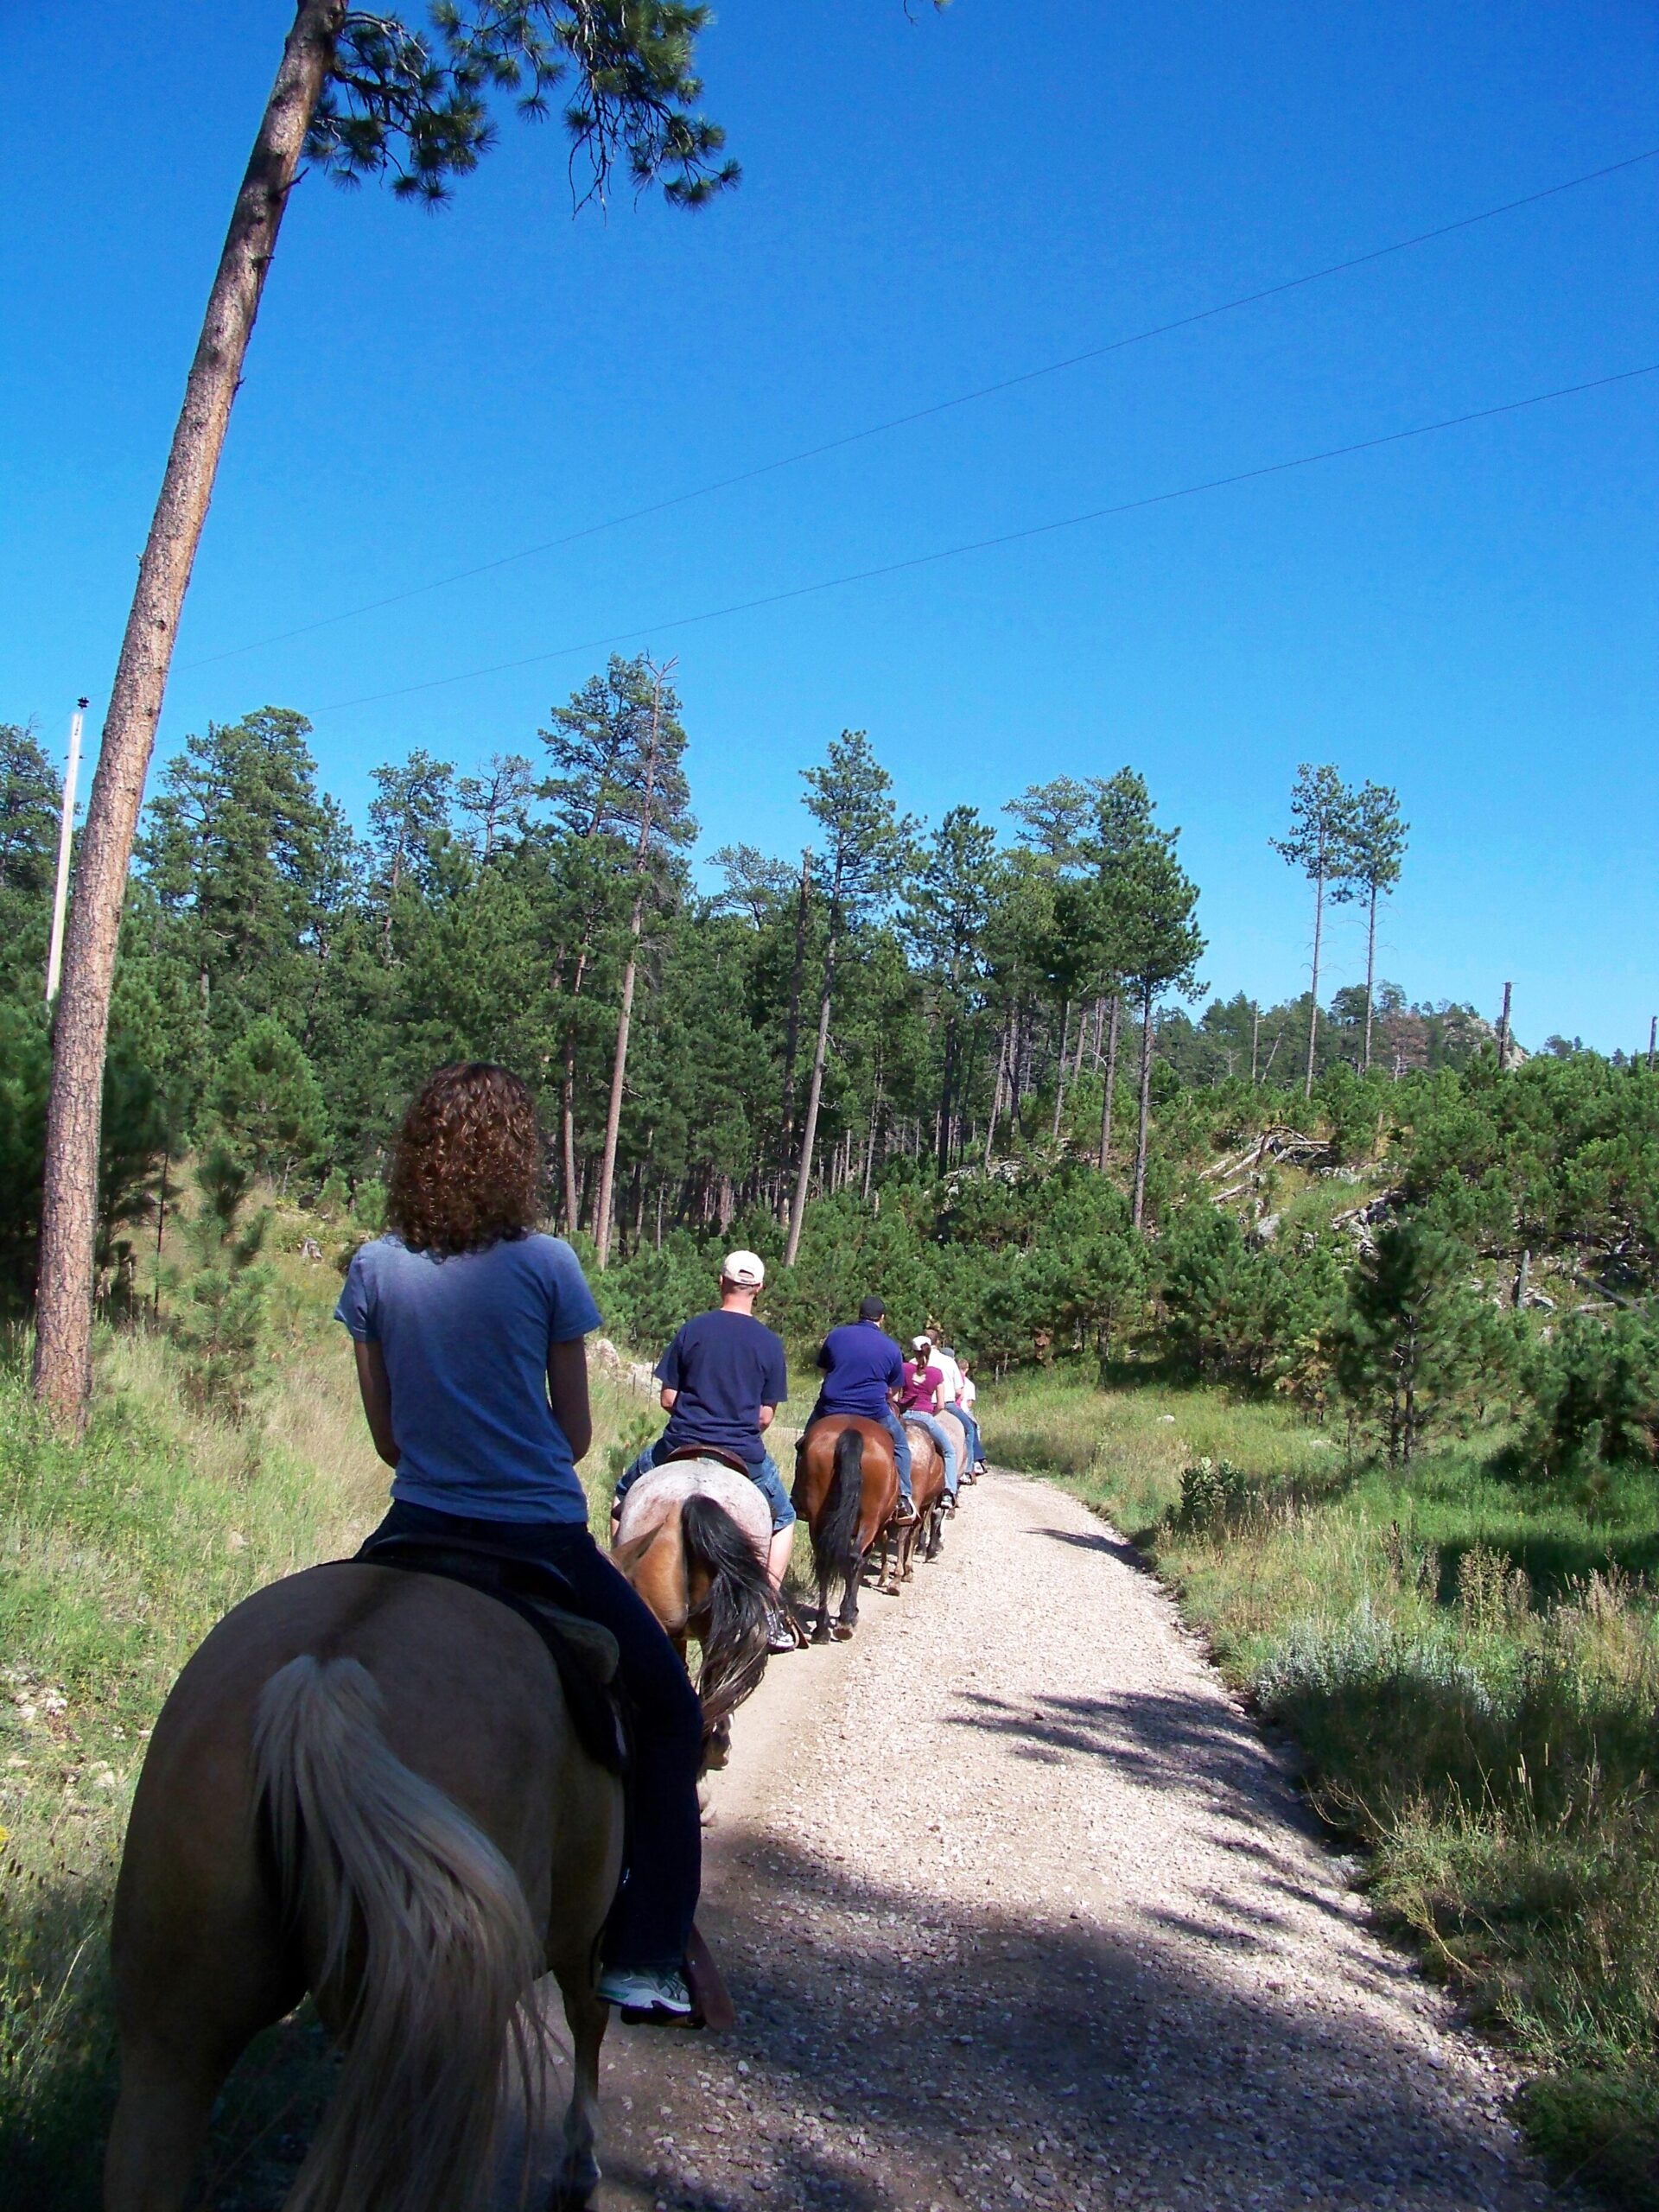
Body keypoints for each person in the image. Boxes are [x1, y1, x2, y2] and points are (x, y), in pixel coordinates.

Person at [335, 1060, 702, 2024]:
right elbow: (575, 1435)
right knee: (670, 1719)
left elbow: (387, 1441)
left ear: (416, 1154)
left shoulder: (372, 1269)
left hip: (414, 1527)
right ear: (517, 1159)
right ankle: (647, 1953)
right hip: (537, 1536)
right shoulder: (548, 1266)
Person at [612, 1251, 797, 1650]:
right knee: (784, 1517)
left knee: (625, 1495)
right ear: (759, 1289)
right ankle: (767, 1606)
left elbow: (667, 1397)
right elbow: (765, 1416)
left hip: (680, 1442)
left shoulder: (693, 1329)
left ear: (721, 1281)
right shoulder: (768, 1343)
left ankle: (619, 1592)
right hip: (742, 1452)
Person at [805, 1295, 916, 1522]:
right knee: (902, 1445)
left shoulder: (836, 1336)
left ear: (859, 1314)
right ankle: (903, 1497)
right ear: (882, 1318)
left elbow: (824, 1371)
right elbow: (894, 1390)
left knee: (805, 1442)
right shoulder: (891, 1347)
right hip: (873, 1410)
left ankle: (800, 1493)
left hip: (831, 1406)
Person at [899, 1335, 961, 1504]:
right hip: (925, 1417)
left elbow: (896, 1394)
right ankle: (949, 1491)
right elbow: (941, 1404)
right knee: (949, 1451)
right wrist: (930, 1414)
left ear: (913, 1351)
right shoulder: (936, 1373)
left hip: (904, 1415)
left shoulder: (904, 1368)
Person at [935, 1341, 986, 1475]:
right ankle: (968, 1468)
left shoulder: (919, 1361)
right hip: (947, 1404)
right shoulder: (950, 1364)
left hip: (921, 1404)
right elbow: (959, 1392)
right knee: (970, 1428)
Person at [956, 1352, 988, 1475]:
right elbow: (969, 1403)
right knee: (974, 1428)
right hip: (963, 1410)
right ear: (967, 1369)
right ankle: (975, 1459)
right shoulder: (969, 1384)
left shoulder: (953, 1378)